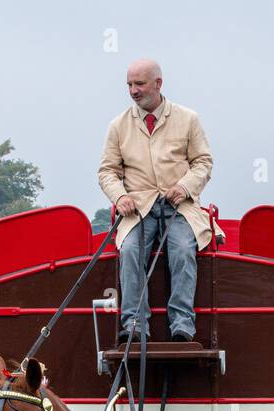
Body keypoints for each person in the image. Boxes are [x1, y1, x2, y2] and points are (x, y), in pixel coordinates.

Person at [98, 58, 216, 342]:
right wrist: (120, 196)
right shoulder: (118, 126)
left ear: (158, 84)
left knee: (183, 250)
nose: (133, 91)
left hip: (180, 207)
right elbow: (107, 172)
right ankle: (135, 325)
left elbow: (203, 162)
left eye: (139, 84)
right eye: (129, 85)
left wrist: (185, 187)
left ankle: (182, 325)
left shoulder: (188, 119)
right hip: (137, 208)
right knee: (129, 252)